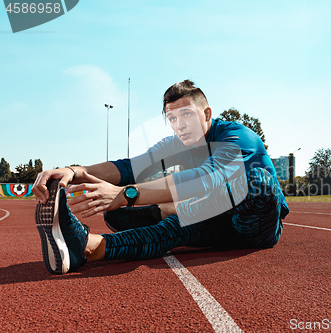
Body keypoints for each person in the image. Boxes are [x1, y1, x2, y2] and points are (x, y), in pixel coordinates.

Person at [33, 80, 289, 274]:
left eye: (187, 114)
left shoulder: (235, 137)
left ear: (207, 114)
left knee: (258, 183)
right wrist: (74, 172)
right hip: (214, 217)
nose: (180, 124)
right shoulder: (175, 144)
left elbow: (207, 177)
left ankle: (169, 209)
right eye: (172, 117)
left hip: (256, 223)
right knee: (169, 228)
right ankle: (87, 248)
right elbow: (130, 168)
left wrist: (126, 195)